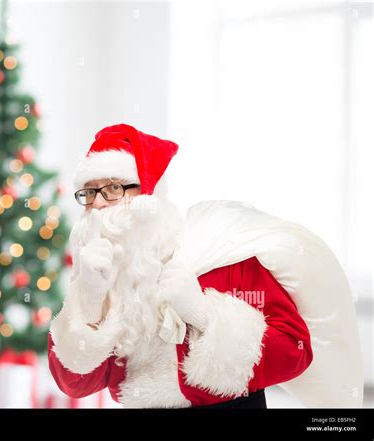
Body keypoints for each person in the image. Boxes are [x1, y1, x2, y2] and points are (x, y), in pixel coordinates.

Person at [48, 123, 363, 408]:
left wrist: (203, 313)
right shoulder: (98, 277)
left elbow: (293, 353)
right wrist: (87, 303)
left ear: (147, 195)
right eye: (89, 193)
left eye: (114, 188)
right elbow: (75, 384)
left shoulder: (218, 253)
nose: (99, 204)